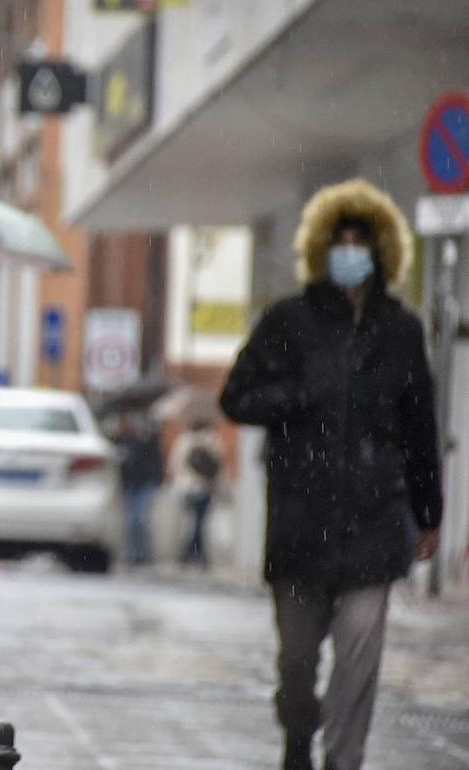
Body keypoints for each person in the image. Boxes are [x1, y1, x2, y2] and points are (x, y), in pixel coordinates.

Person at [219, 179, 442, 770]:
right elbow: (236, 398)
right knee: (297, 660)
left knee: (361, 656)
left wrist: (429, 513)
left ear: (381, 250)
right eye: (340, 239)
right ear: (322, 248)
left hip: (374, 517)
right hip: (301, 519)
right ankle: (297, 733)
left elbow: (421, 426)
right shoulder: (288, 321)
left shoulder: (401, 330)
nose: (350, 250)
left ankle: (343, 760)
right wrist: (296, 395)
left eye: (360, 240)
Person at [167, 418, 223, 568]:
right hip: (203, 487)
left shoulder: (183, 441)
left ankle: (190, 553)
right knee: (199, 522)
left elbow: (174, 464)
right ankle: (195, 553)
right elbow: (218, 465)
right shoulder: (212, 440)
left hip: (186, 487)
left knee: (192, 522)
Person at [113, 410, 164, 566]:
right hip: (130, 484)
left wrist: (156, 480)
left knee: (141, 518)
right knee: (131, 521)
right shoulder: (126, 441)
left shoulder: (152, 442)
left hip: (146, 483)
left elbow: (157, 464)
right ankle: (132, 553)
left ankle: (143, 553)